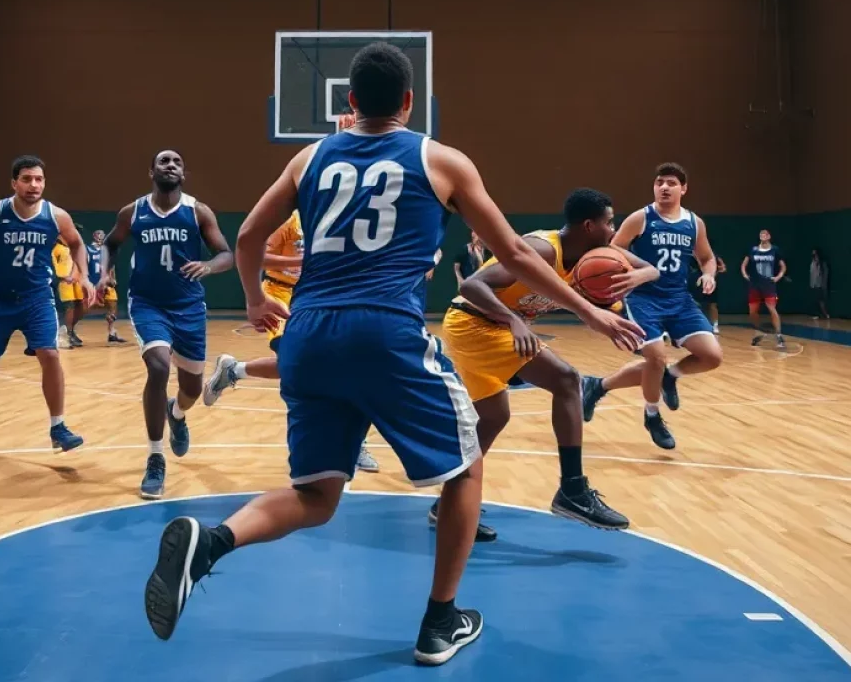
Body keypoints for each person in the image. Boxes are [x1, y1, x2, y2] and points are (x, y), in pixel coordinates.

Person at [142, 42, 642, 665]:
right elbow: (514, 253)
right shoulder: (442, 160)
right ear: (410, 101)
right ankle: (439, 622)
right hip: (385, 329)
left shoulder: (309, 157)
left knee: (316, 495)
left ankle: (213, 543)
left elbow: (247, 236)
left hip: (309, 334)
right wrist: (592, 312)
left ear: (350, 101)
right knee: (463, 470)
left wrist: (254, 300)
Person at [432, 188, 651, 540]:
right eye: (609, 223)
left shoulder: (593, 254)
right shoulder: (543, 249)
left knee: (494, 417)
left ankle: (448, 502)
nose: (614, 231)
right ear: (589, 225)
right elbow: (473, 286)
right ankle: (573, 490)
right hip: (474, 322)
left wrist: (638, 277)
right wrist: (512, 320)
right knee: (567, 380)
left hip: (480, 327)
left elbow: (649, 269)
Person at [204, 116, 379, 473]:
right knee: (297, 363)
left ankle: (234, 370)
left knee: (347, 364)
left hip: (318, 295)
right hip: (279, 294)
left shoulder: (337, 220)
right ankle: (329, 443)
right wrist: (298, 259)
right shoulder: (290, 220)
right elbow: (258, 253)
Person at [100, 149, 234, 500]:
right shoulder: (133, 212)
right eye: (164, 161)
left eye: (176, 162)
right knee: (158, 367)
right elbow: (110, 244)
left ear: (183, 174)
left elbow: (226, 254)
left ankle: (176, 413)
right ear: (152, 172)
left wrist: (209, 266)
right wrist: (103, 272)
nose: (170, 165)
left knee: (192, 389)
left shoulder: (197, 211)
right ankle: (155, 457)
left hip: (188, 307)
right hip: (148, 304)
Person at [0, 155, 93, 452]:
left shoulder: (57, 216)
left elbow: (77, 243)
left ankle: (58, 427)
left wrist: (83, 273)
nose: (33, 185)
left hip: (36, 298)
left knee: (50, 354)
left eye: (39, 179)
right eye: (27, 179)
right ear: (14, 183)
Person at [582, 162, 721, 450]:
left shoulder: (694, 223)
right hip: (644, 298)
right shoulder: (641, 218)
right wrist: (634, 270)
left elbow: (707, 257)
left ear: (683, 189)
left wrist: (709, 274)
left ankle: (613, 384)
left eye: (671, 183)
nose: (664, 187)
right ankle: (652, 416)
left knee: (711, 356)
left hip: (679, 299)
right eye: (659, 183)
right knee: (655, 358)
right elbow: (613, 247)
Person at [741, 230, 786, 349]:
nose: (763, 235)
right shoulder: (753, 250)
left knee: (772, 308)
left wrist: (778, 277)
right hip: (755, 284)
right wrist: (745, 274)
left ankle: (779, 335)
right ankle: (759, 332)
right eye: (761, 234)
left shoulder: (775, 250)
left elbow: (783, 266)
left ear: (769, 236)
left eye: (765, 234)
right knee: (752, 312)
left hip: (768, 285)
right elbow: (744, 264)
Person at [87, 229, 125, 343]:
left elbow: (111, 266)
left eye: (103, 235)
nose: (101, 237)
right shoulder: (88, 249)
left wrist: (113, 278)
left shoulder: (107, 250)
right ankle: (70, 331)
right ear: (94, 236)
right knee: (82, 308)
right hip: (94, 283)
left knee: (113, 305)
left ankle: (111, 332)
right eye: (98, 235)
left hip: (107, 283)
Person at [53, 234, 84, 348]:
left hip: (75, 280)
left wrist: (75, 275)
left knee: (81, 306)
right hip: (63, 281)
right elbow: (53, 266)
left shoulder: (73, 248)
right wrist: (62, 277)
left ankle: (71, 330)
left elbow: (77, 263)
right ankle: (67, 333)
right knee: (69, 306)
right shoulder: (56, 248)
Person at [690, 254, 725, 335]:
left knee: (713, 305)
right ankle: (696, 325)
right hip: (697, 281)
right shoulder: (690, 255)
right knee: (696, 304)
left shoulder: (712, 255)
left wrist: (712, 274)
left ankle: (715, 325)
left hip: (709, 282)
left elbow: (723, 267)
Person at [810, 249, 830, 321]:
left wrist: (823, 285)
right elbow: (812, 274)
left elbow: (825, 275)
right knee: (816, 300)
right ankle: (819, 314)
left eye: (815, 254)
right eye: (813, 255)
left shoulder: (822, 264)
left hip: (820, 285)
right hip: (814, 285)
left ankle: (825, 314)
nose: (814, 256)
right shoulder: (813, 263)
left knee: (821, 301)